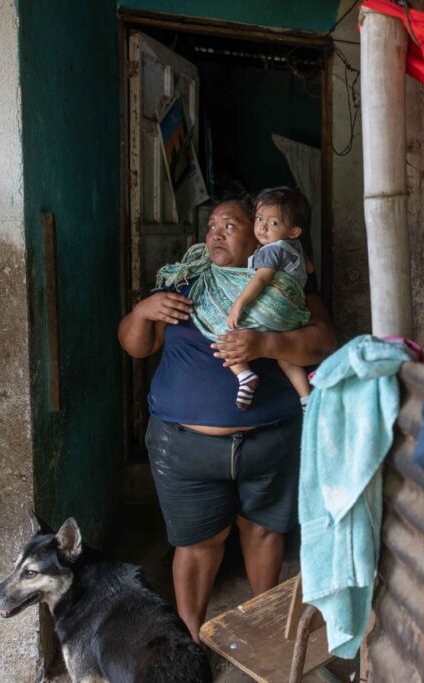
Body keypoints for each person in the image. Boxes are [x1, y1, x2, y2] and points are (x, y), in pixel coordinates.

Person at [118, 197, 336, 642]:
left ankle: (266, 629)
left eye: (230, 225)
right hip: (183, 448)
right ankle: (192, 642)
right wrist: (142, 312)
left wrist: (265, 344)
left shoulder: (288, 290)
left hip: (268, 443)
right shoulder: (187, 284)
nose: (216, 233)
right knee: (197, 545)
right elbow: (136, 347)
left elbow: (323, 344)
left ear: (258, 235)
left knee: (263, 533)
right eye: (212, 225)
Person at [226, 187, 312, 411]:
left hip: (274, 311)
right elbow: (309, 268)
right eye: (260, 218)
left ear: (293, 231)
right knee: (285, 358)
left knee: (224, 334)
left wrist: (239, 304)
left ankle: (244, 375)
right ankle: (306, 399)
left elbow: (261, 280)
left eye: (273, 223)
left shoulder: (270, 251)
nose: (262, 227)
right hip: (293, 316)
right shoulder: (294, 248)